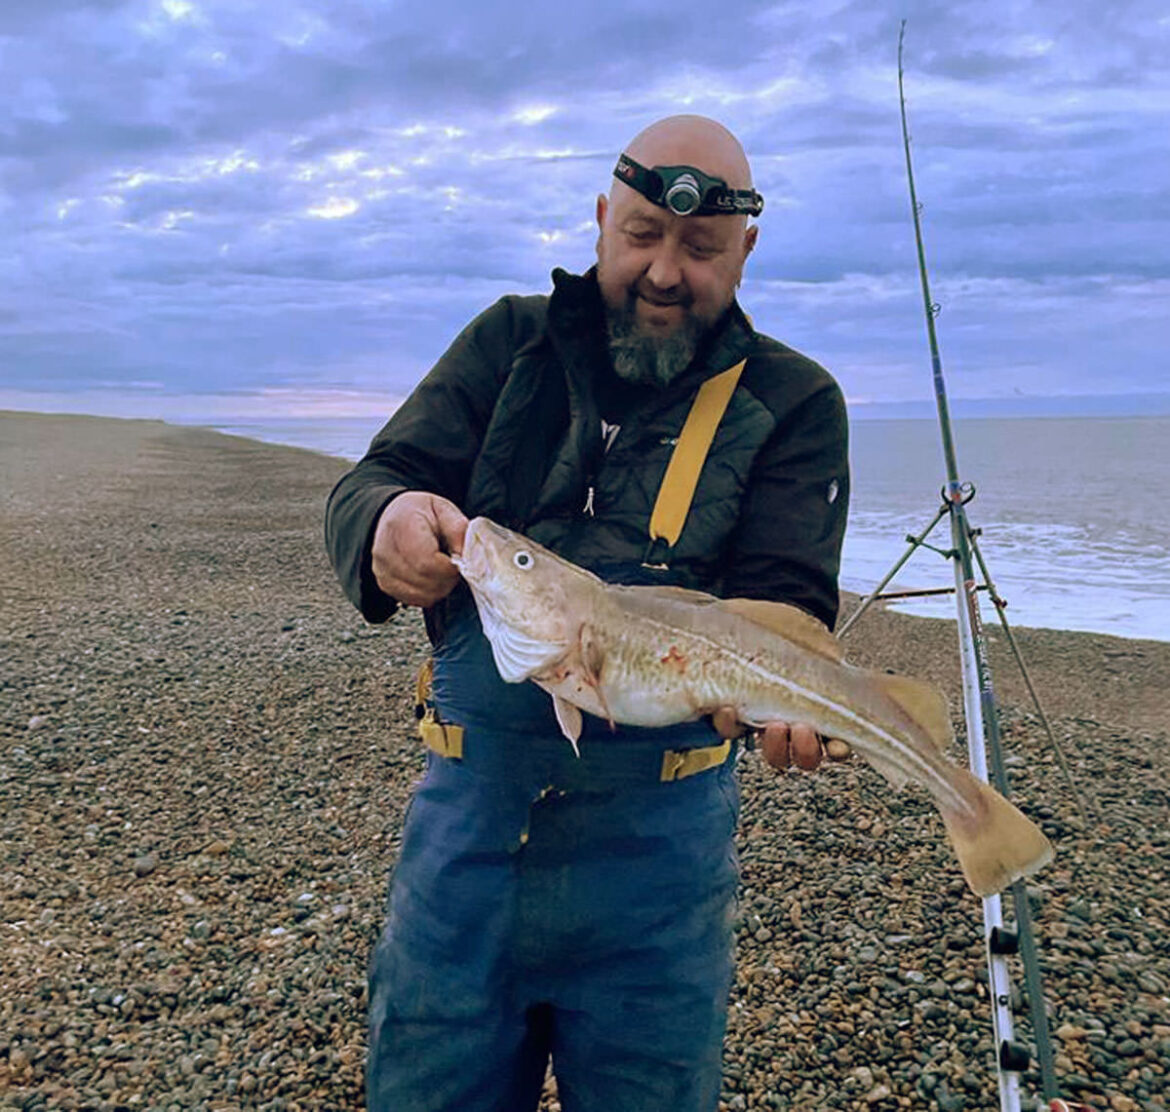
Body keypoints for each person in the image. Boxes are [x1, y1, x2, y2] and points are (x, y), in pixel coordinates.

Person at [325, 114, 850, 1112]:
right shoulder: (509, 344)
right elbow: (377, 479)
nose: (664, 271)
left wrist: (793, 704)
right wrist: (383, 521)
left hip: (659, 874)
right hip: (465, 844)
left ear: (746, 250)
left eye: (702, 248)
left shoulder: (793, 402)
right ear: (602, 219)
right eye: (642, 234)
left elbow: (786, 603)